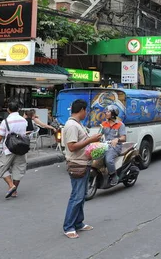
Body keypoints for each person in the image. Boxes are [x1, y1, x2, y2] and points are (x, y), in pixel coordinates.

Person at [63, 99, 102, 239]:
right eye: (86, 110)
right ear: (81, 110)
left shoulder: (77, 124)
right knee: (77, 196)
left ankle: (78, 223)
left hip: (84, 163)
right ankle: (68, 227)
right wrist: (91, 140)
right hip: (77, 164)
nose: (86, 113)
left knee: (81, 195)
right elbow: (72, 146)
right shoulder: (72, 125)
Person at [0, 101, 29, 199]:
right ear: (18, 109)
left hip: (9, 149)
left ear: (8, 109)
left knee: (0, 170)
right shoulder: (23, 120)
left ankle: (11, 185)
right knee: (18, 170)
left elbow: (0, 136)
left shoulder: (6, 121)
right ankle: (14, 191)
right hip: (21, 148)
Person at [100, 104, 127, 186]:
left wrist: (117, 139)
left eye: (108, 112)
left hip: (116, 147)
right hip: (105, 145)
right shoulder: (104, 124)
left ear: (113, 114)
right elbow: (99, 135)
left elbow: (124, 138)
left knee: (108, 160)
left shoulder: (120, 125)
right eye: (106, 111)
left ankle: (114, 176)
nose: (106, 113)